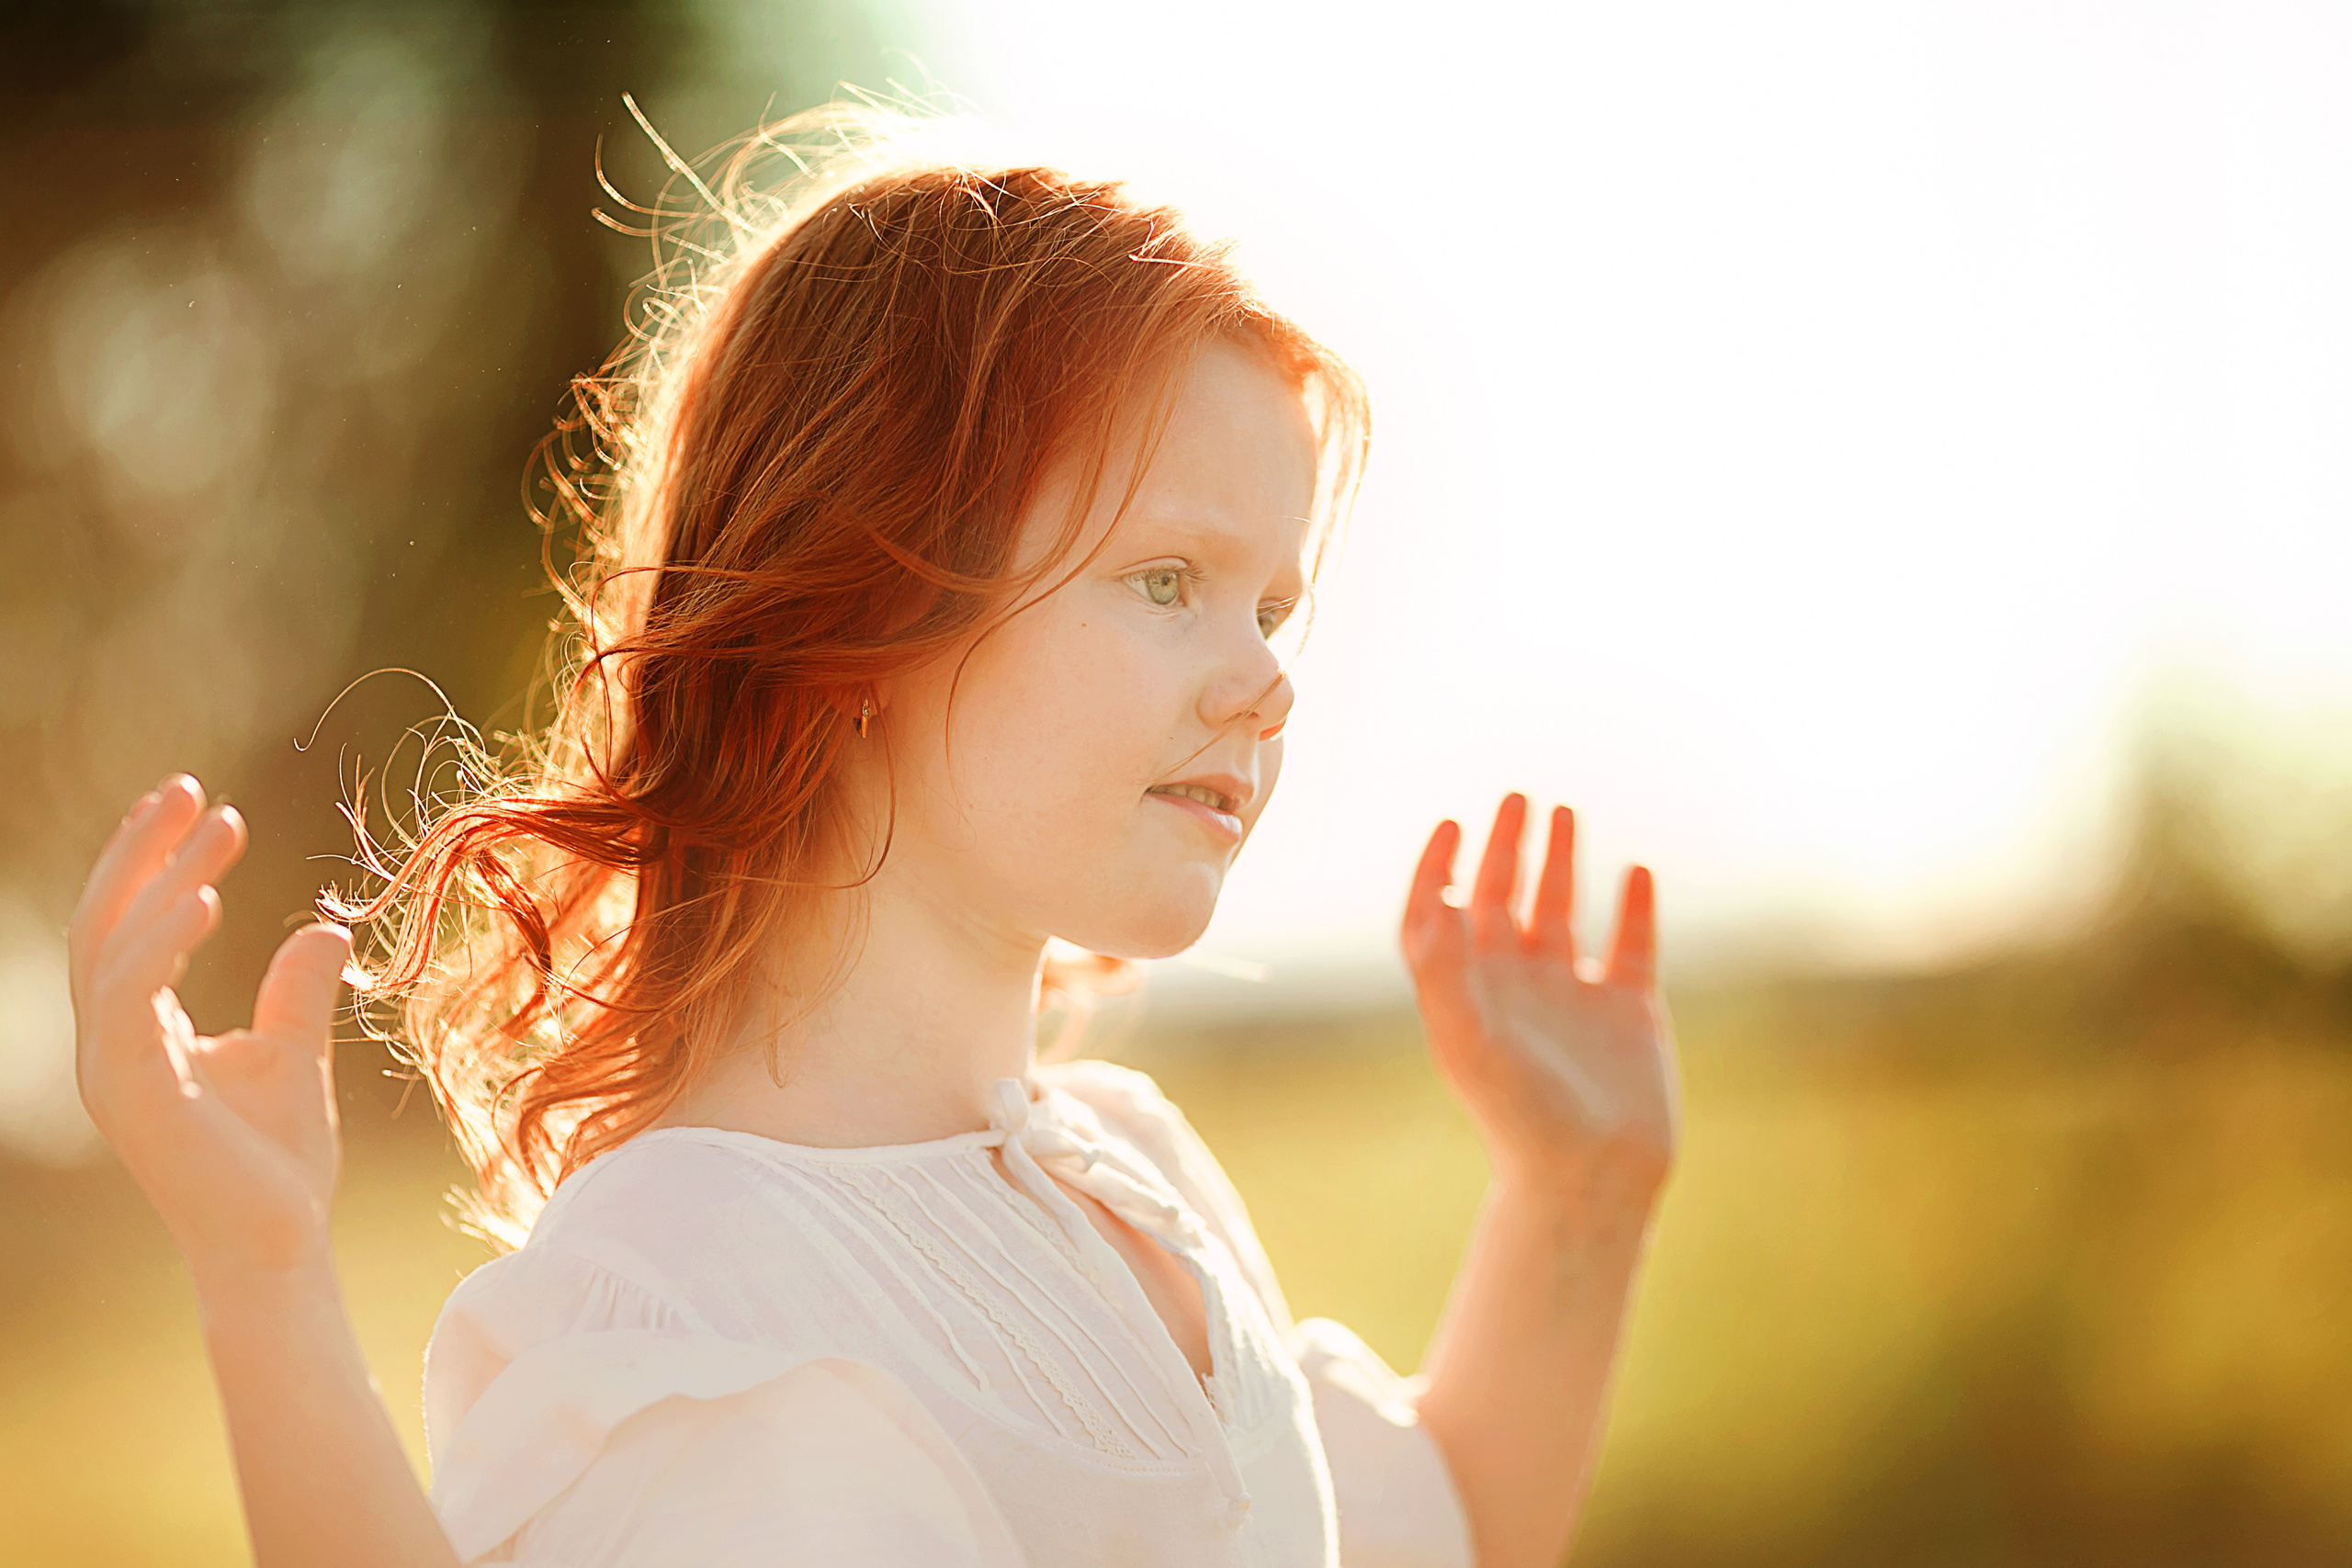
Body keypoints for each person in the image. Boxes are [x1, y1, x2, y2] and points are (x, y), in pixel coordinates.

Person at [67, 107, 1680, 1568]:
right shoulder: (709, 1300)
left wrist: (1580, 1192)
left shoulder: (1133, 1171)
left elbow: (1431, 1533)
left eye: (1274, 607)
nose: (1266, 682)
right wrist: (263, 1280)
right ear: (863, 602)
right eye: (1170, 582)